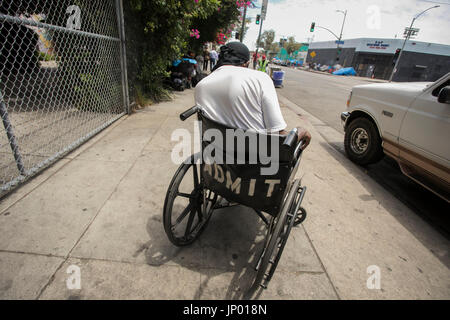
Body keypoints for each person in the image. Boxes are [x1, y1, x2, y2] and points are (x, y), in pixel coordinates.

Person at [195, 42, 311, 149]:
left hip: (216, 156)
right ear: (246, 63)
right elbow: (277, 132)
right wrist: (299, 131)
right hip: (255, 162)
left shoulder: (201, 85)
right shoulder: (261, 78)